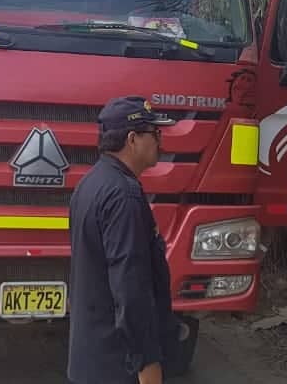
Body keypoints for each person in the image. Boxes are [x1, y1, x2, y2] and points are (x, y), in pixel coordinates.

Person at [67, 96, 192, 384]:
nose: (160, 142)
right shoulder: (124, 196)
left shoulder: (90, 184)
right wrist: (146, 360)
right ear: (133, 139)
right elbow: (130, 288)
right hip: (119, 365)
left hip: (91, 359)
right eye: (155, 134)